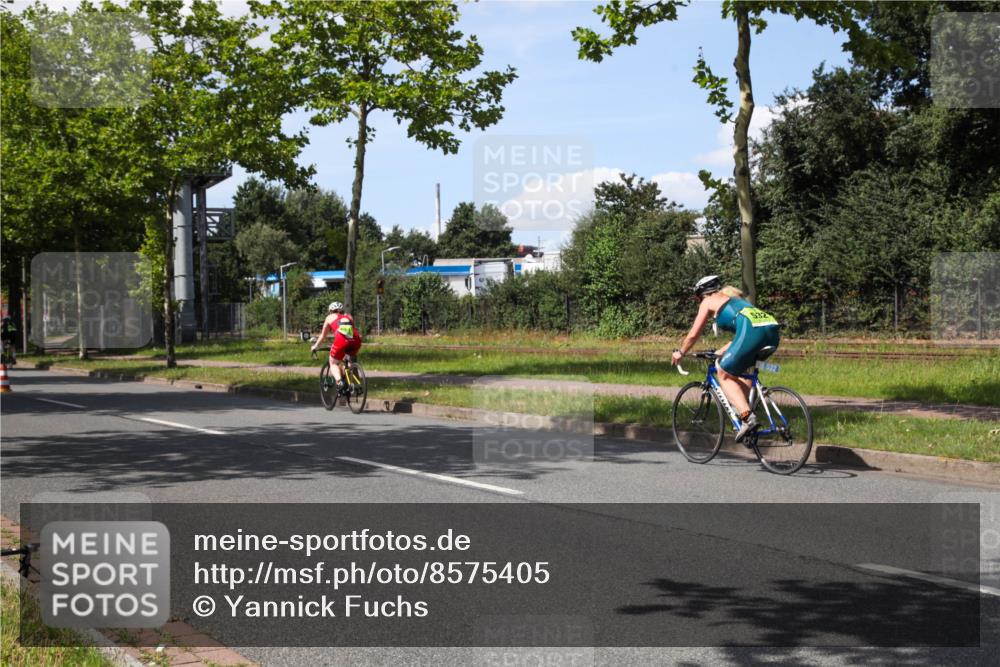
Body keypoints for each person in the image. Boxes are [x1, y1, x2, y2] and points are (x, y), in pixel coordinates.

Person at [671, 275, 780, 442]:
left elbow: (693, 335)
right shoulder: (736, 300)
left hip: (752, 332)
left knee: (722, 373)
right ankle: (746, 413)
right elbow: (742, 336)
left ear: (701, 294)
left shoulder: (708, 301)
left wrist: (681, 352)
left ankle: (747, 417)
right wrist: (721, 351)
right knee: (743, 370)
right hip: (771, 329)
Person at [311, 301, 362, 394]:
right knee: (347, 361)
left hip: (341, 340)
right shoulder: (348, 316)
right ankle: (352, 385)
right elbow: (350, 332)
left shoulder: (329, 317)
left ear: (330, 311)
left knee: (333, 362)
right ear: (341, 310)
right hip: (356, 340)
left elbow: (323, 335)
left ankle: (340, 382)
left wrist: (315, 346)